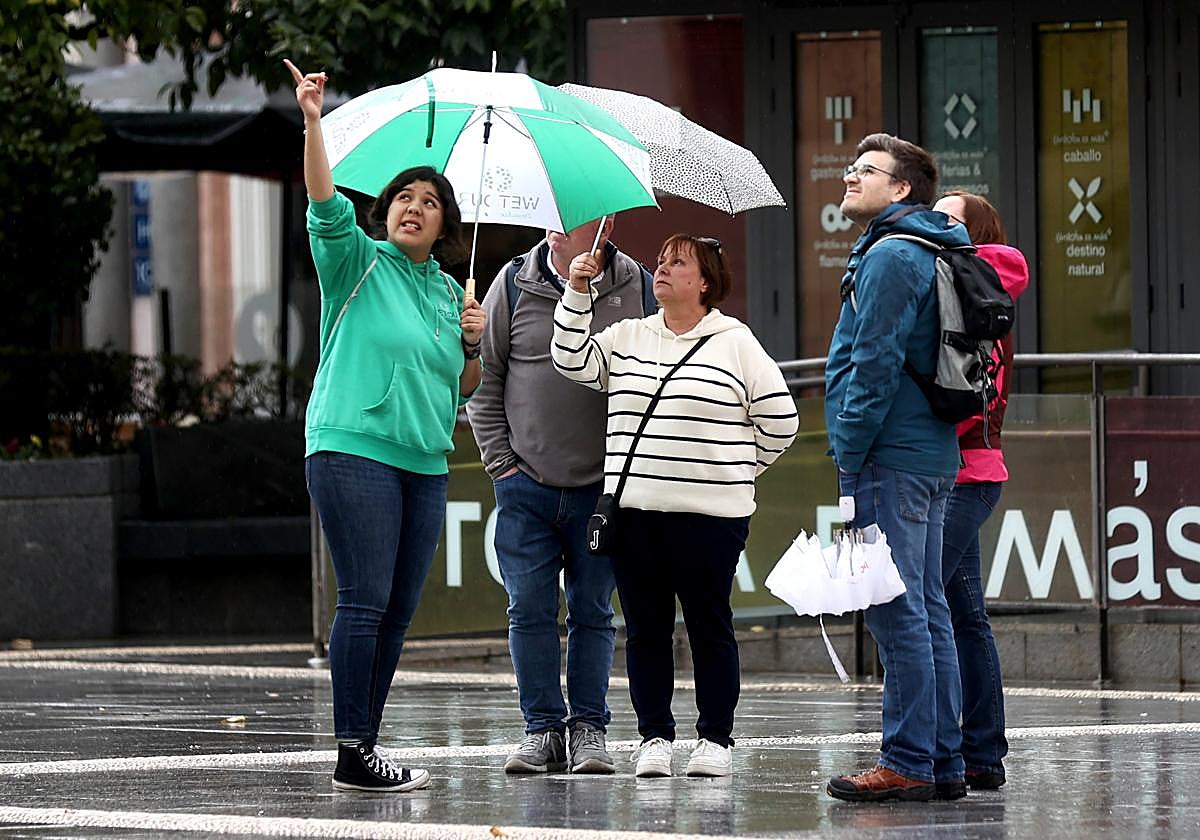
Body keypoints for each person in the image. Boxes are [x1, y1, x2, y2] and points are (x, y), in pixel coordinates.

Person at [285, 59, 485, 793]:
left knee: (398, 612)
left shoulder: (447, 291)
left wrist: (471, 342)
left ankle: (363, 745)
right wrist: (312, 121)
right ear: (386, 209)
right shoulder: (355, 262)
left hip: (425, 463)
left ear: (444, 225)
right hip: (352, 452)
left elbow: (461, 387)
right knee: (364, 599)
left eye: (430, 201)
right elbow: (322, 196)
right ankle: (351, 749)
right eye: (404, 195)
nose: (413, 206)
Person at [552, 234, 798, 779]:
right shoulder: (627, 336)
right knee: (645, 628)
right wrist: (576, 290)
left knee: (710, 624)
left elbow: (782, 420)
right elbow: (569, 360)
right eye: (660, 261)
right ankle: (654, 737)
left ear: (704, 281)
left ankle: (716, 740)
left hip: (713, 518)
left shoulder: (736, 341)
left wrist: (733, 468)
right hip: (635, 513)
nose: (661, 270)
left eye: (677, 263)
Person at [467, 216, 656, 775]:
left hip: (604, 490)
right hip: (525, 484)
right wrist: (502, 466)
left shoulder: (638, 287)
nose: (555, 229)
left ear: (606, 225)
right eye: (551, 217)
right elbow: (486, 377)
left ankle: (589, 731)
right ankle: (541, 728)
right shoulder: (512, 282)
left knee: (594, 612)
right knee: (528, 609)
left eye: (571, 220)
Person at [823, 133, 972, 803]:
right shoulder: (933, 247)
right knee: (927, 611)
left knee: (895, 609)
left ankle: (909, 759)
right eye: (853, 168)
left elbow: (872, 364)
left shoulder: (889, 256)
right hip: (931, 453)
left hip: (888, 455)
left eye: (868, 171)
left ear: (902, 188)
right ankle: (941, 760)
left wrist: (848, 449)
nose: (851, 177)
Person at [931, 190, 1030, 791]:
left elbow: (970, 392)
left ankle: (941, 748)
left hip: (968, 470)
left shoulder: (976, 287)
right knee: (966, 616)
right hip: (964, 472)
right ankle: (982, 754)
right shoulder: (961, 286)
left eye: (948, 218)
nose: (935, 225)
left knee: (923, 605)